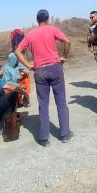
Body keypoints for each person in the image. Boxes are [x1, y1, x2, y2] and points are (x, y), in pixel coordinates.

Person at [16, 9, 73, 146]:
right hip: (55, 68)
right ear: (48, 19)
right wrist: (64, 57)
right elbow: (68, 41)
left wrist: (29, 65)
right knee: (61, 102)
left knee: (43, 104)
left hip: (40, 70)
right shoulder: (52, 29)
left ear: (37, 20)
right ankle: (65, 134)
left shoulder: (30, 34)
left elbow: (17, 51)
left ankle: (43, 138)